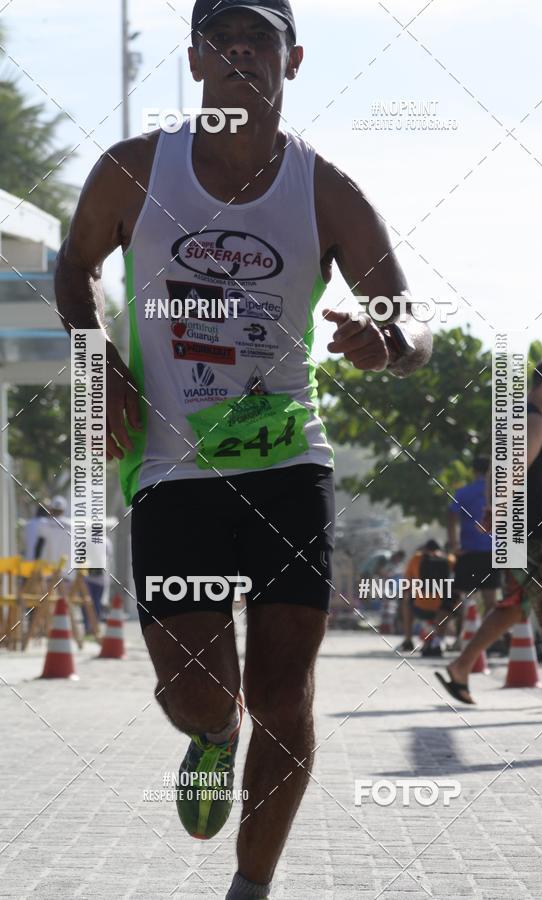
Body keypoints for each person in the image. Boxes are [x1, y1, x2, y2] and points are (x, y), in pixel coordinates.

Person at [54, 2, 433, 897]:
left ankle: (251, 886)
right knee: (199, 697)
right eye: (222, 40)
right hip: (173, 469)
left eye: (258, 40)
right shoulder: (134, 171)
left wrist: (390, 342)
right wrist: (97, 356)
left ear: (291, 61)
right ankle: (212, 740)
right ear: (194, 61)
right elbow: (75, 267)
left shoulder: (325, 190)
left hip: (289, 464)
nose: (240, 56)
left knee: (284, 697)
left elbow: (412, 321)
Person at [436, 357, 542, 705]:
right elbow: (512, 472)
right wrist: (497, 510)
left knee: (515, 607)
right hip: (538, 527)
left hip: (520, 529)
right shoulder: (536, 421)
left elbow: (492, 472)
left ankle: (461, 667)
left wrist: (491, 510)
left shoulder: (515, 420)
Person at [447, 456, 505, 653]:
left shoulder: (463, 493)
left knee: (464, 598)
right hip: (492, 552)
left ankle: (460, 639)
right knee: (491, 600)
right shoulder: (500, 493)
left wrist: (454, 544)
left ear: (473, 471)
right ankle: (491, 641)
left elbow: (451, 516)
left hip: (469, 552)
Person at [399, 539, 454, 656]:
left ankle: (408, 640)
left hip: (420, 608)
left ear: (425, 549)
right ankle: (442, 641)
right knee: (456, 599)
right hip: (444, 609)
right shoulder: (449, 559)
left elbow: (406, 585)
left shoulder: (416, 559)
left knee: (405, 600)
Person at [34, 496, 72, 580]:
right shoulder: (71, 526)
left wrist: (36, 565)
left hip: (48, 572)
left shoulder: (45, 524)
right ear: (64, 510)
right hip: (67, 573)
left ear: (51, 509)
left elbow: (39, 546)